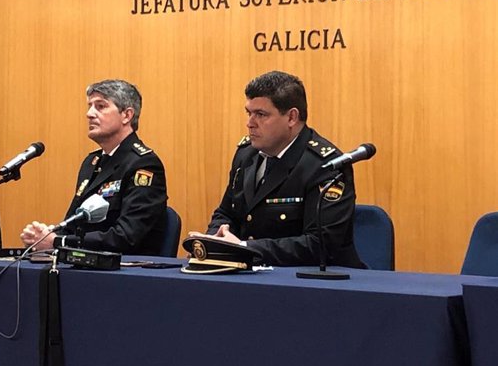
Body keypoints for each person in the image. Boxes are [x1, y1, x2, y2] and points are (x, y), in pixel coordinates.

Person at [191, 71, 364, 268]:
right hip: (252, 275)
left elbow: (320, 244)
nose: (250, 123)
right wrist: (216, 239)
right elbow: (226, 212)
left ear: (291, 117)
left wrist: (244, 247)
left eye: (261, 115)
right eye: (249, 113)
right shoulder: (246, 155)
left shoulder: (326, 166)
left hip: (311, 285)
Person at [21, 79, 167, 254]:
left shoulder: (144, 164)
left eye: (101, 106)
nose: (89, 114)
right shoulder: (92, 162)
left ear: (126, 116)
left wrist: (59, 242)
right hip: (86, 264)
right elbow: (72, 223)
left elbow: (126, 236)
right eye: (90, 106)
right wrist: (44, 237)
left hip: (125, 271)